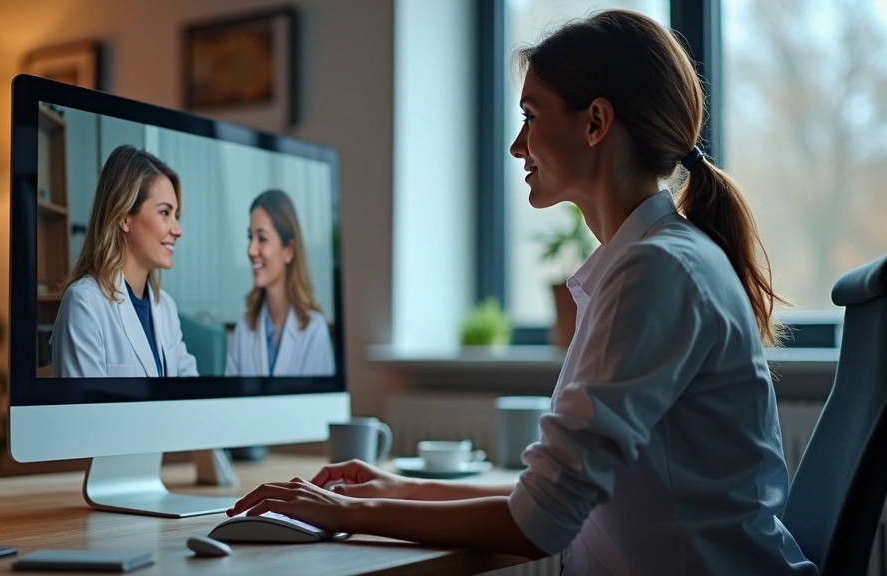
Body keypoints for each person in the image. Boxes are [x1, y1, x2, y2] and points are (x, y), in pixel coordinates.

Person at [226, 10, 817, 575]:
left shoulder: (657, 272)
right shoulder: (650, 263)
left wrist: (349, 513)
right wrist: (395, 488)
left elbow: (540, 523)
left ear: (595, 123)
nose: (516, 146)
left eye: (531, 116)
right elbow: (554, 496)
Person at [51, 145, 198, 378]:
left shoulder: (166, 307)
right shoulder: (84, 303)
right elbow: (86, 412)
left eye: (176, 215)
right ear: (124, 217)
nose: (177, 230)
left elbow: (192, 395)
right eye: (164, 213)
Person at [225, 189, 335, 377]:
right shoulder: (244, 329)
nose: (251, 250)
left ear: (289, 251)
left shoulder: (314, 331)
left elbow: (315, 406)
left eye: (262, 238)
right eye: (250, 238)